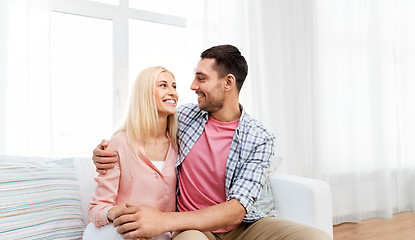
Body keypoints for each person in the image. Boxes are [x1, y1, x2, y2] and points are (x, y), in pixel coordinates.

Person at [92, 45, 331, 240]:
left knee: (317, 237)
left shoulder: (260, 137)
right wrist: (102, 152)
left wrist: (162, 220)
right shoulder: (184, 117)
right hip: (193, 227)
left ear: (228, 83)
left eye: (201, 78)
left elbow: (237, 210)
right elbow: (143, 125)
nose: (192, 86)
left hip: (243, 226)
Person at [83, 66, 179, 240]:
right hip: (118, 230)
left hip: (161, 233)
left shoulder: (180, 145)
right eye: (163, 85)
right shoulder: (119, 143)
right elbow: (96, 209)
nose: (172, 92)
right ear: (145, 93)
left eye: (174, 86)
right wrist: (121, 215)